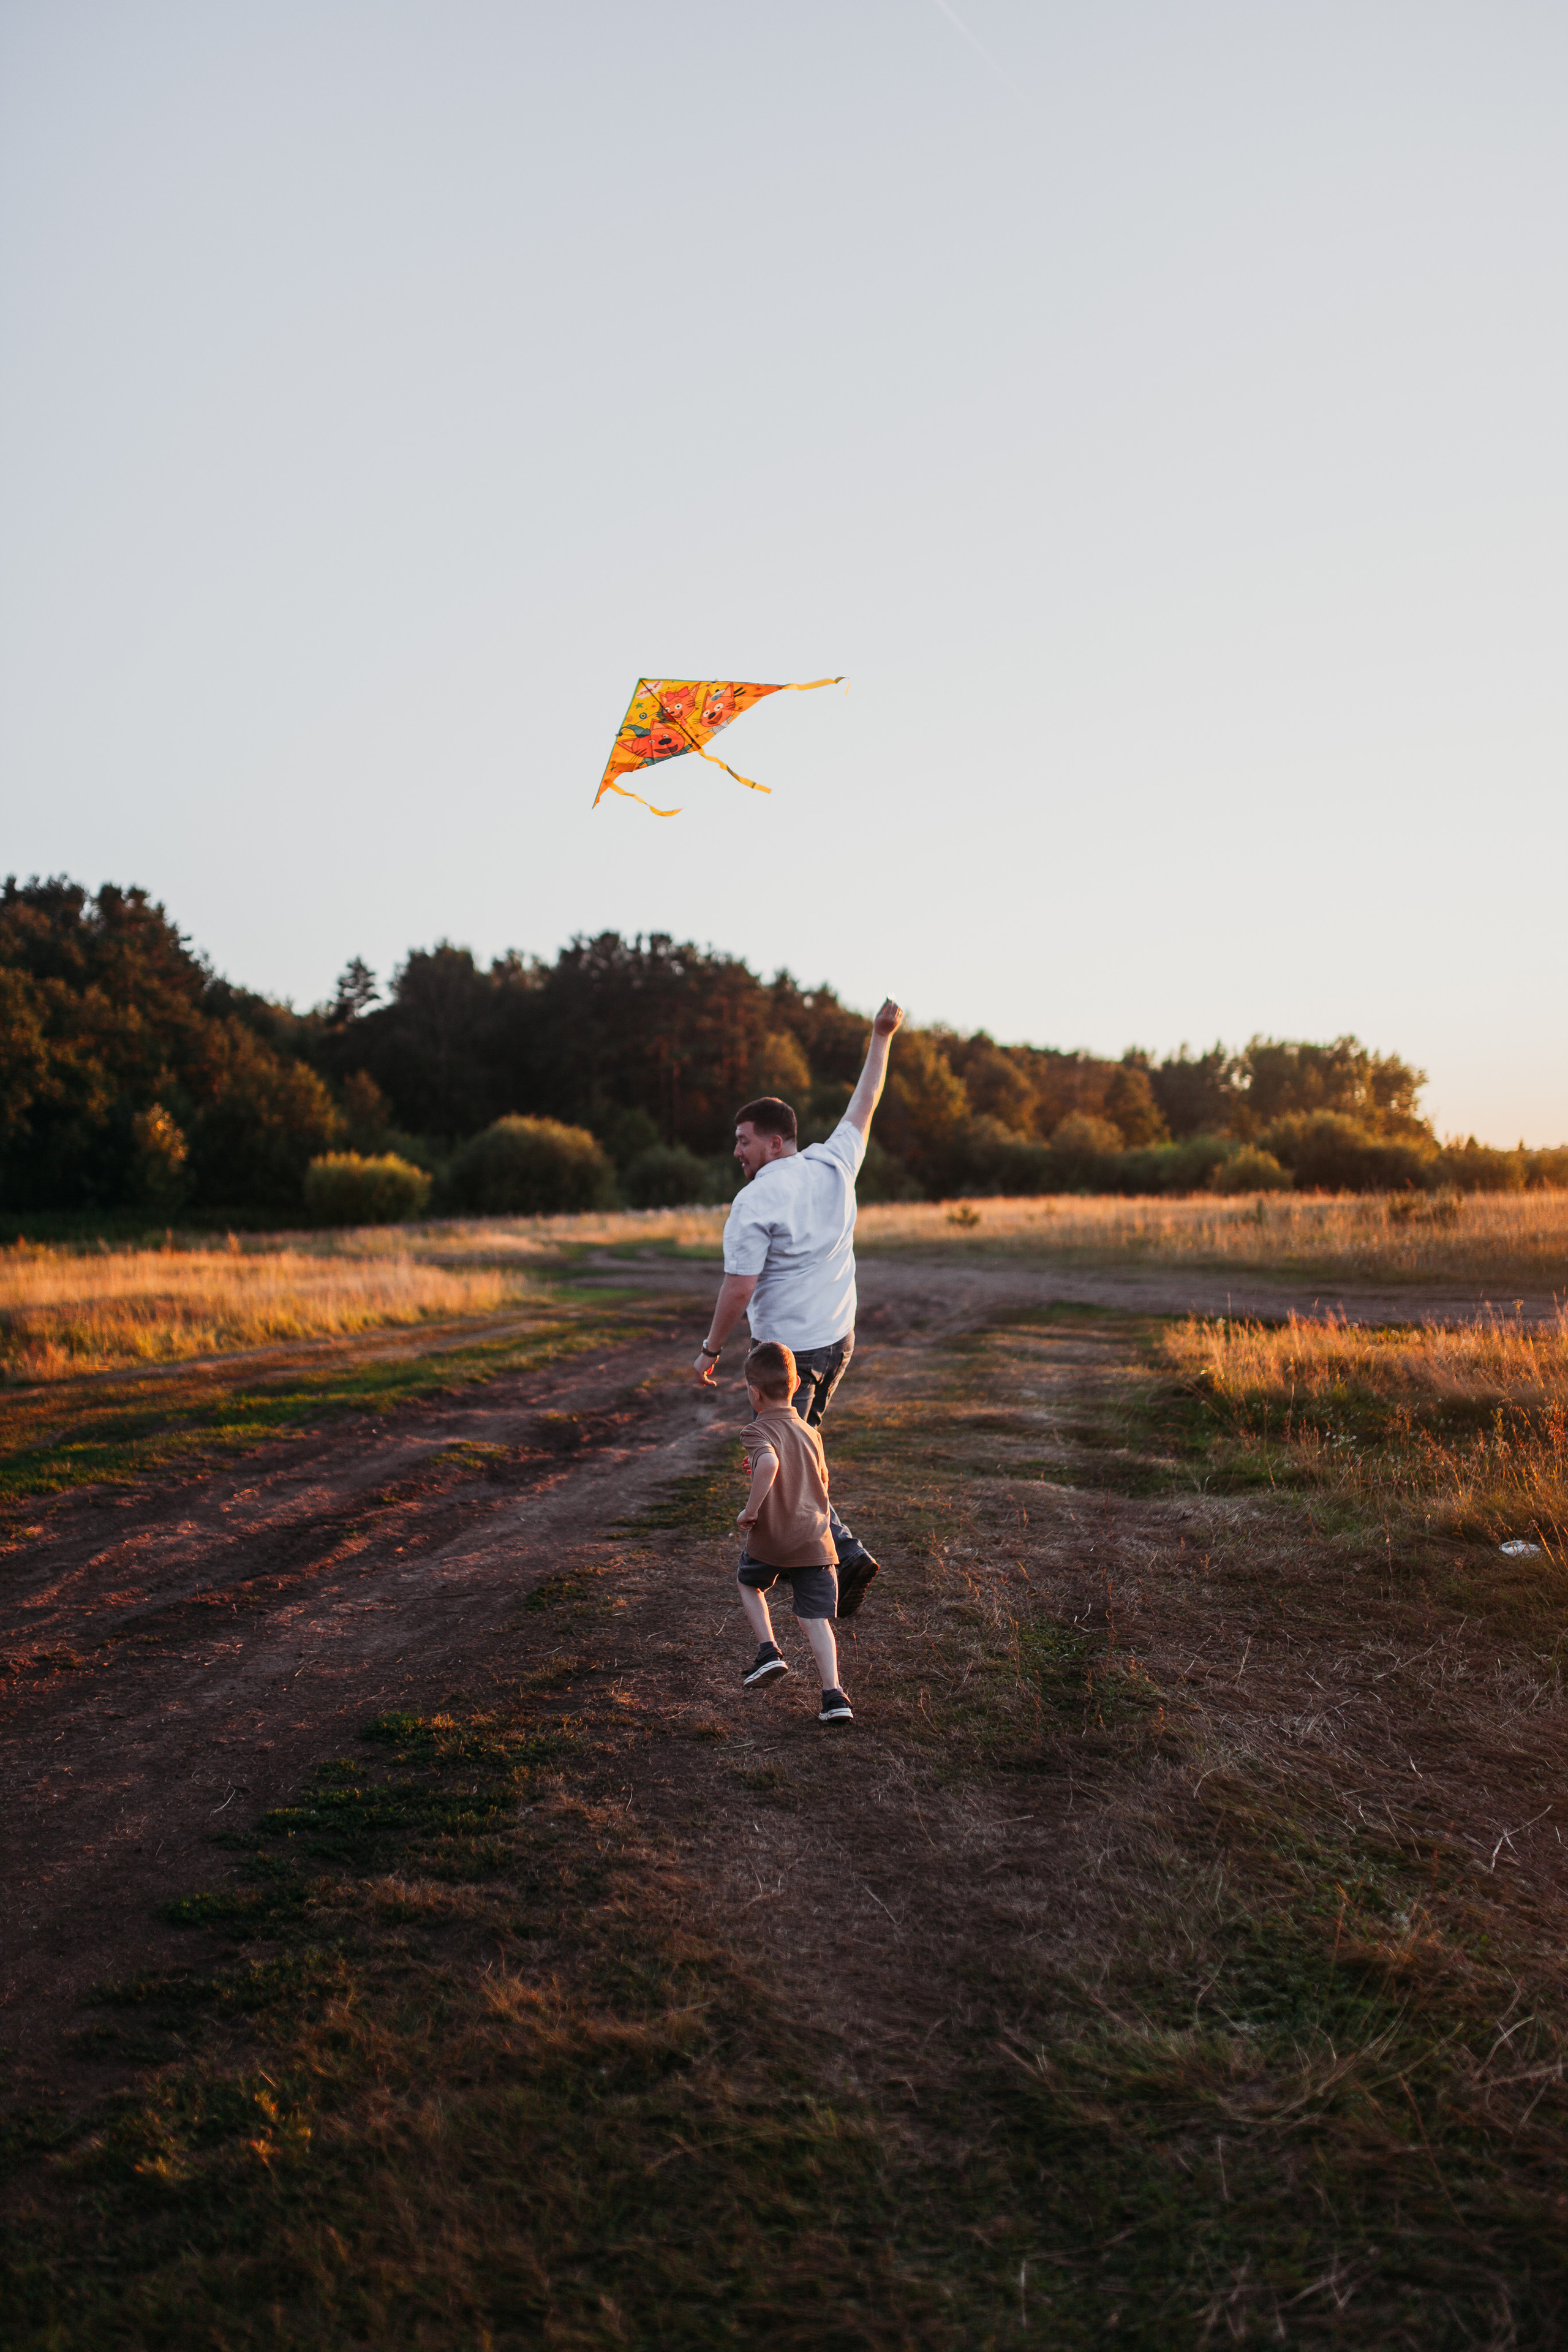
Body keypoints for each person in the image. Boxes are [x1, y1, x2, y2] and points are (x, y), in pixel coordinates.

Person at [693, 995, 905, 1619]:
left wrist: (709, 1350)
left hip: (787, 1354)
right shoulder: (833, 1161)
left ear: (775, 1140)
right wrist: (881, 1036)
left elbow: (738, 1288)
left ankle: (843, 1557)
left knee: (785, 1461)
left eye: (744, 1141)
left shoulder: (755, 1201)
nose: (737, 1152)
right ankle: (825, 1556)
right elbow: (866, 1101)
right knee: (798, 1451)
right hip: (838, 1341)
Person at [733, 1340, 852, 1723]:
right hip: (815, 1540)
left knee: (749, 1583)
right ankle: (834, 1696)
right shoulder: (811, 1434)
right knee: (815, 1619)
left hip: (772, 1538)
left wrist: (751, 1510)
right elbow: (821, 1482)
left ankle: (768, 1652)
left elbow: (770, 1464)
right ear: (797, 1383)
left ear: (754, 1393)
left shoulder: (756, 1431)